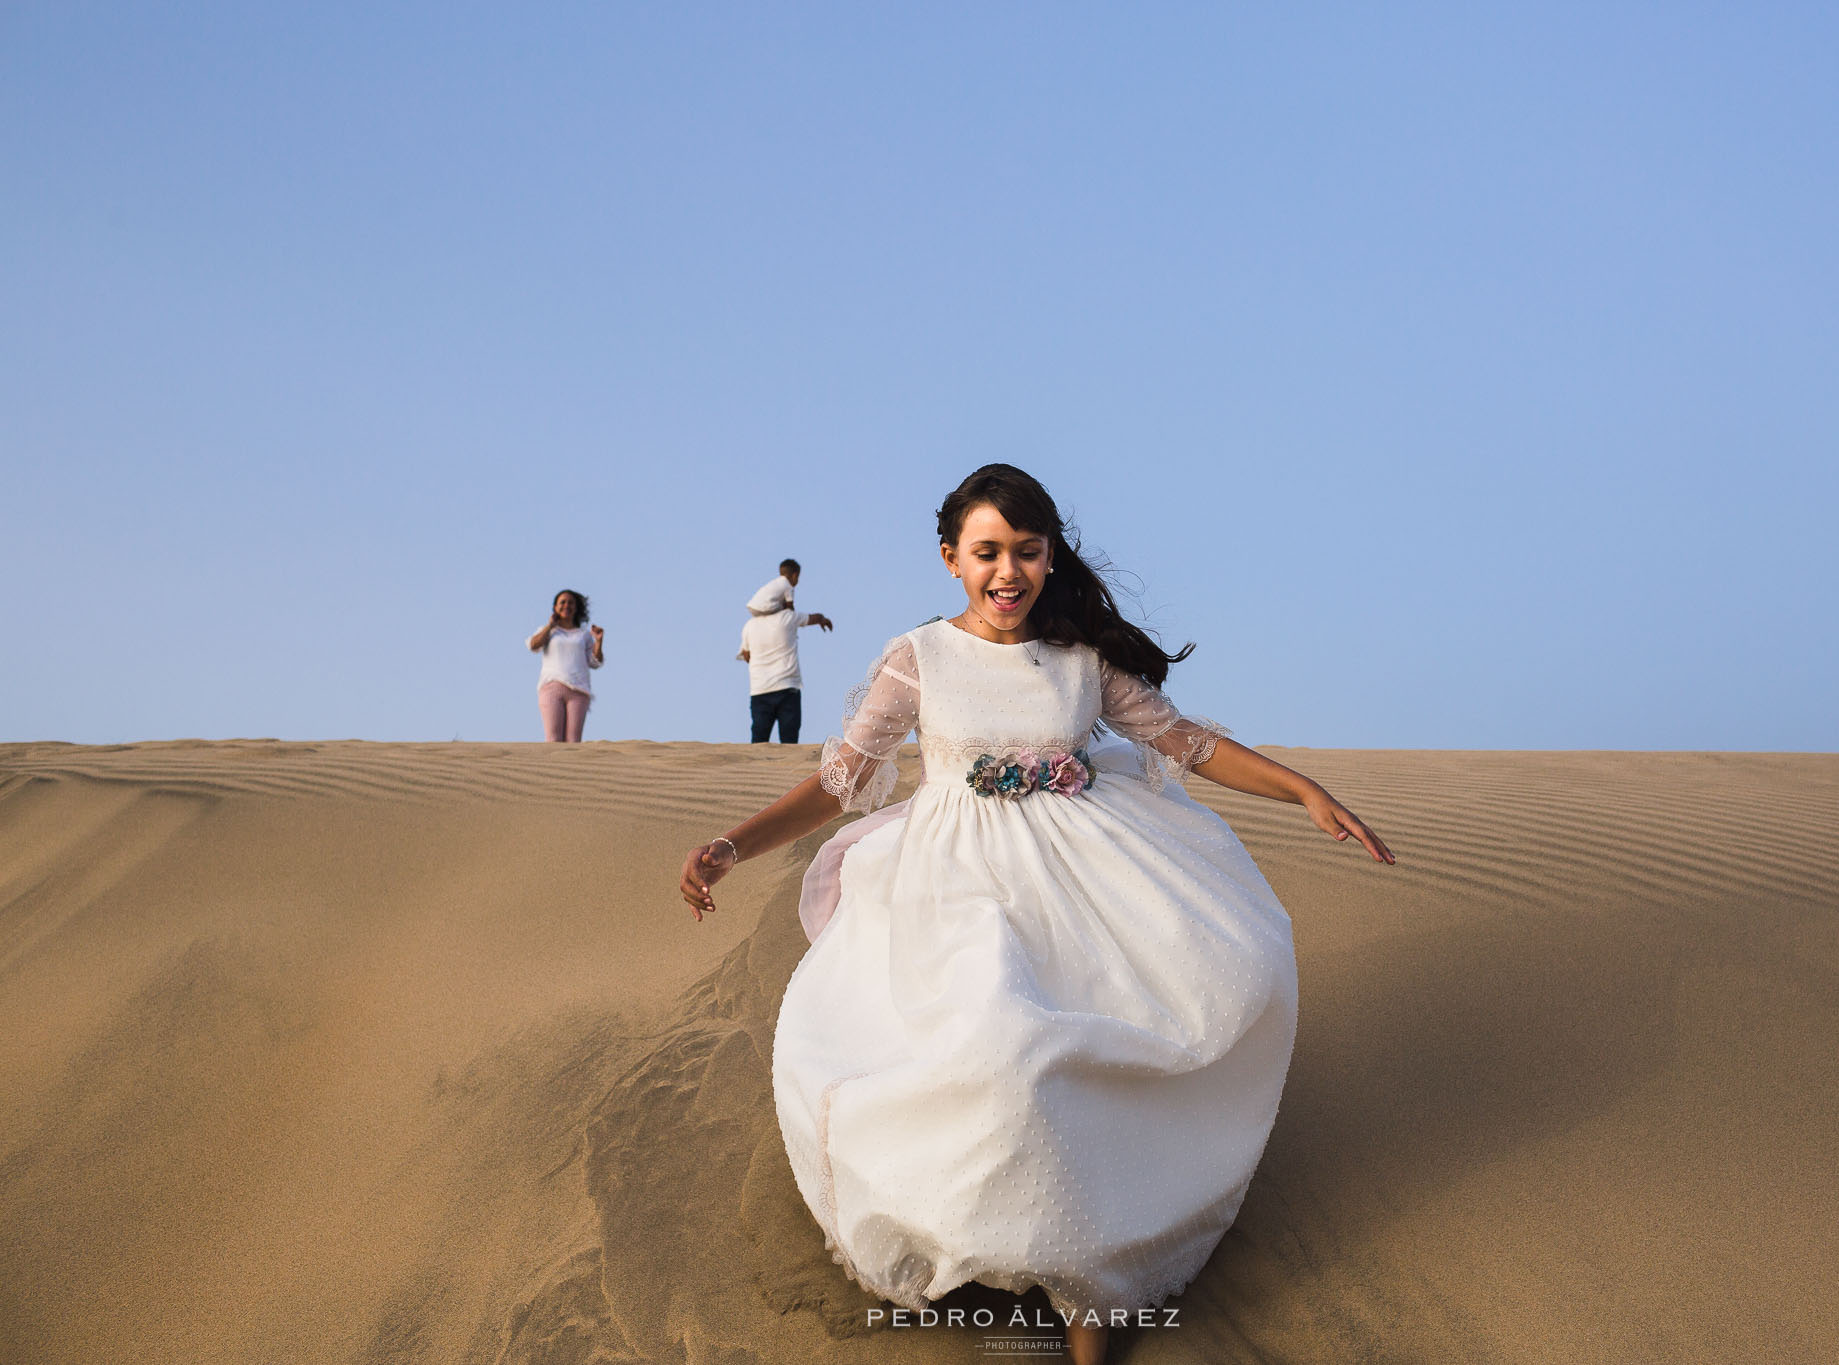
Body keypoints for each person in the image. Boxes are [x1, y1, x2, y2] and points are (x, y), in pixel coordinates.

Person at [679, 465, 1394, 1364]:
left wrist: (1303, 790)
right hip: (958, 887)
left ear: (1051, 556)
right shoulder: (919, 656)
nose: (1007, 571)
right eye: (986, 552)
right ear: (950, 559)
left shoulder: (1081, 663)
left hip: (1088, 877)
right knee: (1004, 1052)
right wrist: (732, 847)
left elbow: (1189, 744)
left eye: (1026, 550)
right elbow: (839, 781)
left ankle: (1087, 1294)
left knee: (1123, 1033)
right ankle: (1001, 1249)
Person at [738, 599, 834, 743]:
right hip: (787, 690)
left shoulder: (750, 625)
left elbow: (746, 654)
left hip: (760, 690)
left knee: (758, 741)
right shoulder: (787, 617)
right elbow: (812, 618)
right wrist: (823, 620)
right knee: (789, 741)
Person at [527, 589, 604, 742]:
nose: (566, 606)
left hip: (578, 690)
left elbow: (595, 662)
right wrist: (550, 626)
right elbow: (533, 645)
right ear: (555, 607)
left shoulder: (584, 635)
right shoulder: (550, 631)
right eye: (562, 602)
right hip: (552, 687)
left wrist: (599, 641)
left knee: (573, 741)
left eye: (571, 603)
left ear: (576, 608)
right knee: (553, 739)